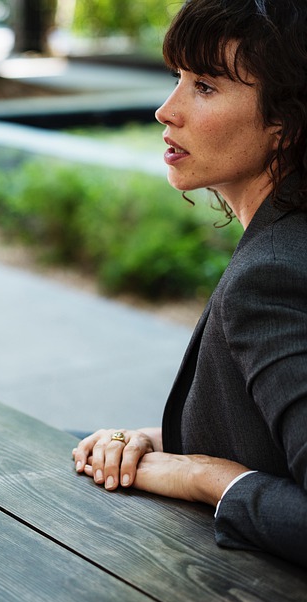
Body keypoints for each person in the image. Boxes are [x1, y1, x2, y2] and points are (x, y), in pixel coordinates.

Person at [72, 0, 307, 570]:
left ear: (285, 120)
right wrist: (157, 441)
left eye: (204, 86)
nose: (165, 110)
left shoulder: (271, 278)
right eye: (176, 78)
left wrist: (205, 477)